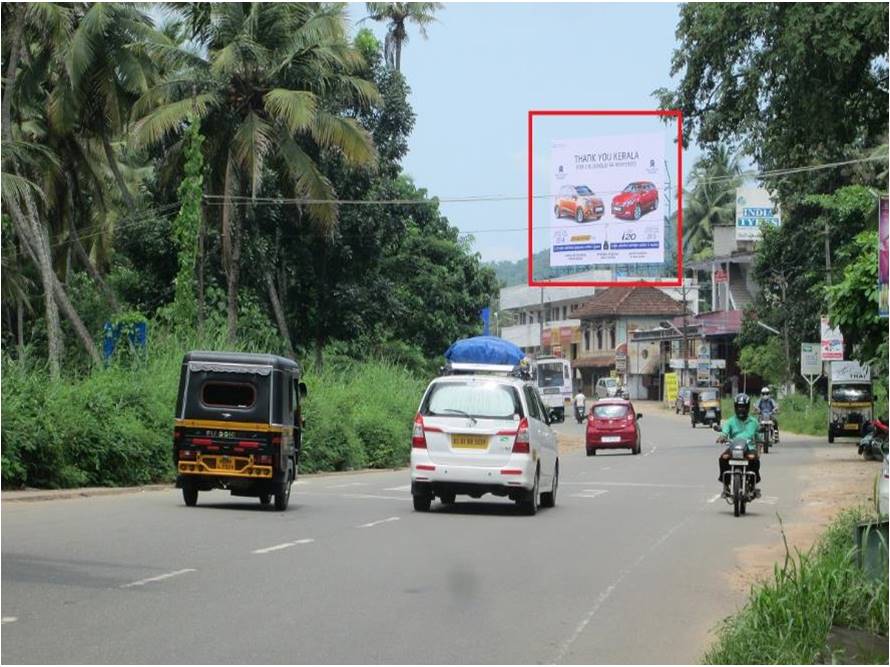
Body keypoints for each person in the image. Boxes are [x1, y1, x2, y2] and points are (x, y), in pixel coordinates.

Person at [717, 393, 761, 495]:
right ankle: (726, 485)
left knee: (755, 460)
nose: (741, 409)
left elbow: (758, 437)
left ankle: (752, 485)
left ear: (748, 407)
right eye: (739, 407)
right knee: (723, 458)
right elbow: (724, 432)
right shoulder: (730, 421)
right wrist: (722, 437)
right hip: (734, 447)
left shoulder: (754, 422)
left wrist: (760, 443)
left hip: (749, 448)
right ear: (735, 407)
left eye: (744, 407)